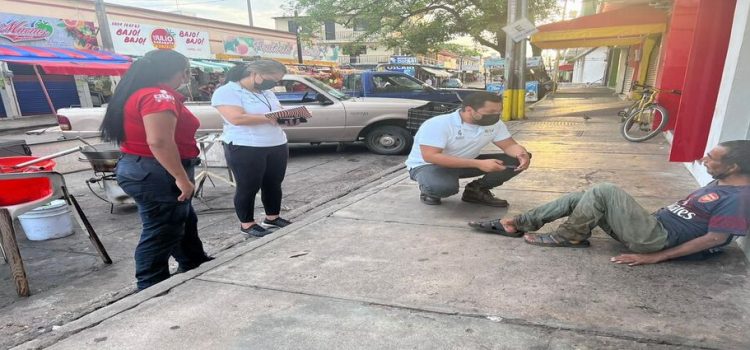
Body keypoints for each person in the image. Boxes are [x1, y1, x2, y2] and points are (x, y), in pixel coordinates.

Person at [468, 140, 750, 266]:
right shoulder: (722, 182)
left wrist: (653, 257)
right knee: (584, 196)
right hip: (652, 228)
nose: (704, 160)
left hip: (656, 241)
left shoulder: (739, 198)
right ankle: (515, 223)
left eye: (712, 158)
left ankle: (570, 236)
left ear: (733, 166)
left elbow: (716, 238)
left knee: (604, 189)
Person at [100, 49, 212, 290]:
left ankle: (194, 262)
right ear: (179, 72)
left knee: (182, 219)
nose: (187, 77)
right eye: (187, 71)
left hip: (145, 167)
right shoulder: (158, 97)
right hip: (158, 170)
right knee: (162, 229)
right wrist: (181, 178)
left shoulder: (140, 93)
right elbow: (159, 142)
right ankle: (150, 285)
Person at [211, 60, 297, 237]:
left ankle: (272, 217)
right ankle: (247, 223)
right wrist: (271, 117)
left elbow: (277, 111)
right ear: (255, 73)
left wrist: (289, 117)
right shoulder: (227, 91)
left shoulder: (266, 93)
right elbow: (237, 118)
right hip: (246, 146)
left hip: (276, 142)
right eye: (272, 79)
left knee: (273, 183)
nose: (274, 83)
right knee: (248, 186)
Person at [405, 91, 531, 207]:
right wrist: (478, 164)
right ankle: (429, 191)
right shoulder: (439, 124)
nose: (496, 116)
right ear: (469, 110)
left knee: (516, 160)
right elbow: (431, 156)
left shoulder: (495, 124)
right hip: (429, 165)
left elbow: (509, 145)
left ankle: (476, 190)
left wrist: (521, 154)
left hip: (466, 162)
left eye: (498, 112)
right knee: (443, 188)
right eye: (490, 112)